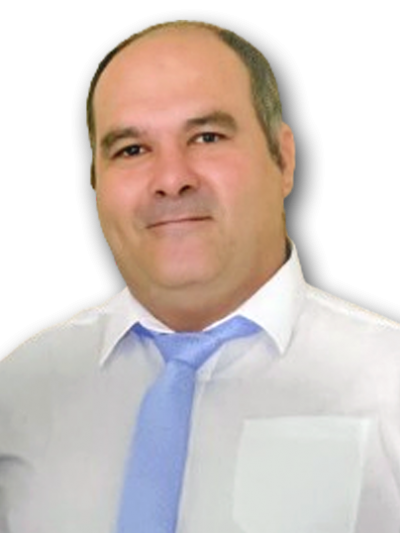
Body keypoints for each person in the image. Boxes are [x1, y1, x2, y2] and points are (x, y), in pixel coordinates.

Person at [1, 19, 400, 533]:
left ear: (284, 159)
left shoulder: (389, 382)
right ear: (94, 180)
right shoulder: (20, 390)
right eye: (131, 149)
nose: (171, 179)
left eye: (207, 137)